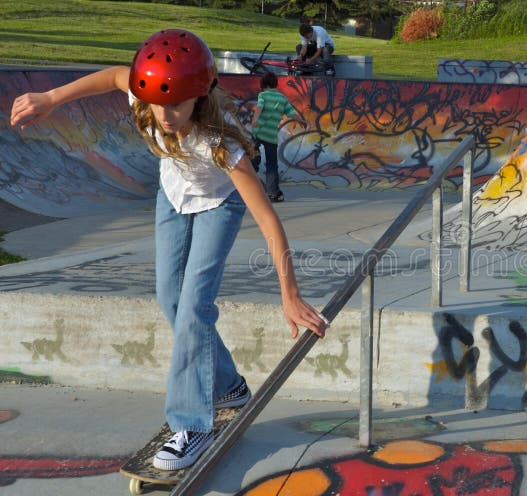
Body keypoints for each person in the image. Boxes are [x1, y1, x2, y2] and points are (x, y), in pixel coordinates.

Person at [9, 29, 328, 471]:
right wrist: (51, 98)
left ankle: (192, 423)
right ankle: (228, 386)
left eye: (175, 106)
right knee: (170, 298)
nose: (164, 116)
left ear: (199, 96)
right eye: (158, 104)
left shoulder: (224, 142)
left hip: (220, 204)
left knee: (195, 306)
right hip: (174, 196)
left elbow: (269, 221)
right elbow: (112, 77)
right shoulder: (149, 98)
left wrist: (289, 294)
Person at [251, 71, 306, 203]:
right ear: (275, 84)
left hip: (258, 132)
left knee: (253, 157)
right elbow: (291, 113)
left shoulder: (263, 95)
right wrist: (301, 121)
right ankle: (273, 192)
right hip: (271, 135)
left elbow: (259, 107)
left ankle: (250, 183)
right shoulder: (282, 98)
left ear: (264, 84)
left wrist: (255, 119)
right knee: (272, 164)